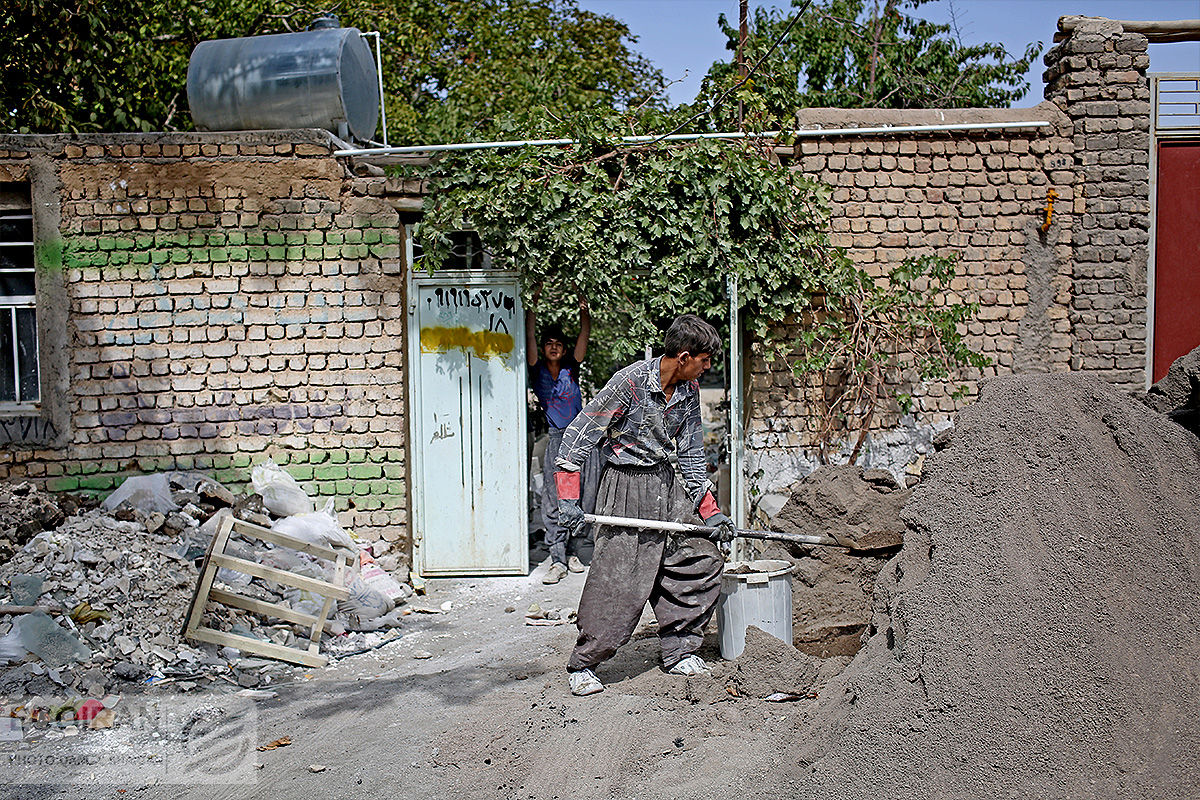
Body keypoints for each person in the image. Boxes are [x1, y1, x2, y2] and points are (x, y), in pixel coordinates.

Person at [553, 314, 735, 696]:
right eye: (703, 360)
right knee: (619, 578)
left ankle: (680, 649)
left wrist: (711, 512)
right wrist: (568, 498)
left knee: (701, 558)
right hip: (625, 485)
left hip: (665, 487)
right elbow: (578, 435)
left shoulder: (688, 391)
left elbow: (691, 456)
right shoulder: (630, 382)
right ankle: (584, 664)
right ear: (684, 357)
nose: (706, 367)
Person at [526, 290, 591, 584]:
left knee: (578, 496)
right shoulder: (537, 370)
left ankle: (574, 551)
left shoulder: (571, 367)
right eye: (549, 344)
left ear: (564, 350)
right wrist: (533, 305)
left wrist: (584, 309)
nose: (554, 348)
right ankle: (557, 558)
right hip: (555, 439)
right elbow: (529, 339)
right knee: (553, 499)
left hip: (578, 437)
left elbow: (583, 337)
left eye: (558, 345)